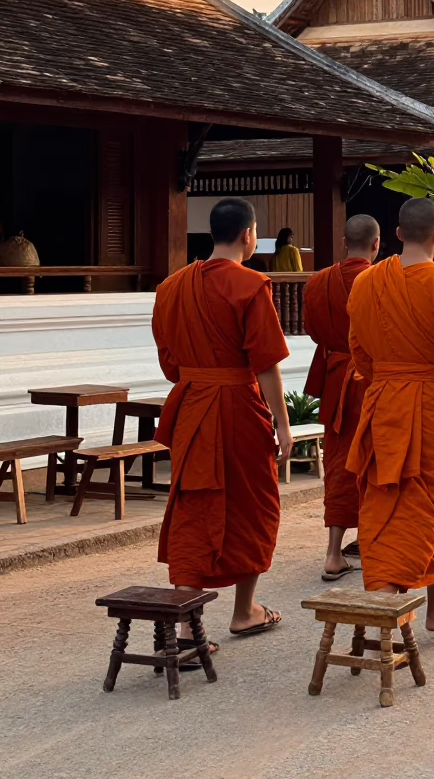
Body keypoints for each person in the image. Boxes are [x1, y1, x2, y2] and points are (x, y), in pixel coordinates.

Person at [153, 198, 292, 643]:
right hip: (237, 406)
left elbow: (169, 364)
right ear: (248, 234)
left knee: (195, 505)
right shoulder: (250, 285)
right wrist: (284, 424)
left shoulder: (171, 287)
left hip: (192, 406)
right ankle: (244, 610)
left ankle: (186, 623)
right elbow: (266, 364)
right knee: (254, 504)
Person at [345, 197, 434, 631]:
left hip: (383, 401)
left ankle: (392, 590)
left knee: (386, 499)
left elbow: (359, 353)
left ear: (399, 233)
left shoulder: (366, 283)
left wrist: (386, 382)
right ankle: (410, 603)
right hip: (432, 405)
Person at [302, 214, 380, 580]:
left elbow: (313, 330)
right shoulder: (383, 281)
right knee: (375, 458)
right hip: (375, 380)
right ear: (377, 245)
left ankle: (335, 552)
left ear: (344, 242)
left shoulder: (318, 282)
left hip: (336, 381)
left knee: (338, 461)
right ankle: (369, 539)